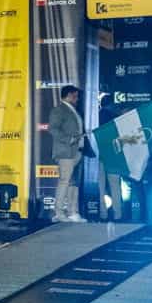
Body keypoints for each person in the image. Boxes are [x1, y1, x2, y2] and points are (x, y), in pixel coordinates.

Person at [47, 85, 86, 222]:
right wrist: (69, 139)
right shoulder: (59, 110)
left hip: (77, 151)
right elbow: (53, 129)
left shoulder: (74, 111)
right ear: (68, 95)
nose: (77, 99)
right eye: (75, 96)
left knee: (74, 183)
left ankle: (73, 212)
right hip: (65, 152)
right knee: (65, 181)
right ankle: (59, 213)